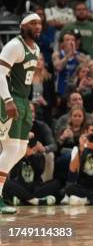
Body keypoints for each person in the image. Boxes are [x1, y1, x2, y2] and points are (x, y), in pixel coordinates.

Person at [0, 13, 42, 214]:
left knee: (20, 149)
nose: (38, 26)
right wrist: (7, 100)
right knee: (9, 149)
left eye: (40, 23)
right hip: (9, 98)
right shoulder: (14, 46)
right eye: (33, 23)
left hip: (24, 101)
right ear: (22, 26)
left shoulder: (36, 48)